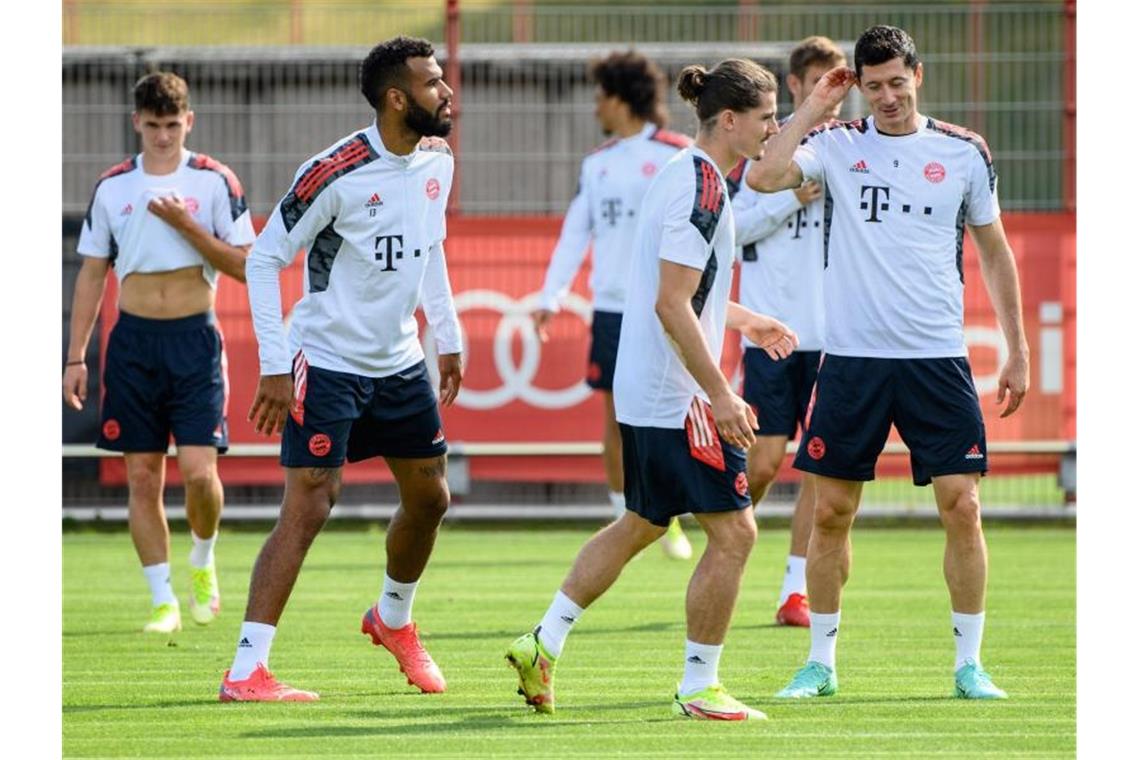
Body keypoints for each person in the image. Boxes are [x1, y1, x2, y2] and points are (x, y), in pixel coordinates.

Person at [507, 58, 797, 721]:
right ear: (730, 120)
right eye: (766, 116)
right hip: (677, 398)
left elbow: (681, 294)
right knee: (736, 535)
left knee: (641, 522)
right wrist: (721, 393)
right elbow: (672, 305)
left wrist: (745, 320)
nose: (773, 127)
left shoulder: (688, 177)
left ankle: (541, 641)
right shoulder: (698, 186)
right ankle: (700, 685)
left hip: (650, 388)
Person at [749, 25, 1029, 700]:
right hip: (852, 359)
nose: (886, 98)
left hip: (937, 358)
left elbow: (994, 252)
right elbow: (761, 176)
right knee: (831, 514)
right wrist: (815, 107)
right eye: (872, 87)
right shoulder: (836, 145)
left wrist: (1017, 348)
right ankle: (820, 663)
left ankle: (969, 664)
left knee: (961, 506)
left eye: (895, 83)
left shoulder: (963, 153)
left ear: (918, 76)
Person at [218, 36, 464, 702]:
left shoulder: (438, 158)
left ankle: (393, 620)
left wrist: (448, 332)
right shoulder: (334, 171)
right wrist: (275, 366)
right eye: (433, 83)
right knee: (310, 506)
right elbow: (266, 260)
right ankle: (247, 669)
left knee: (432, 499)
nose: (446, 93)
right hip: (327, 363)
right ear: (395, 98)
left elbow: (431, 244)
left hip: (401, 363)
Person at [64, 71, 255, 634]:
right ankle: (162, 600)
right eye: (153, 126)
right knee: (143, 478)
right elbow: (93, 273)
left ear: (188, 121)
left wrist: (185, 224)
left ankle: (202, 558)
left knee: (199, 474)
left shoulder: (215, 181)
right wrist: (76, 357)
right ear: (137, 124)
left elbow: (246, 265)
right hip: (133, 345)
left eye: (173, 125)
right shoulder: (114, 186)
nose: (164, 136)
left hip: (194, 340)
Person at [533, 51, 695, 560]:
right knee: (616, 416)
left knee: (681, 410)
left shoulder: (678, 154)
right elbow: (574, 235)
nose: (596, 106)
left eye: (601, 96)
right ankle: (626, 512)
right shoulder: (596, 164)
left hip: (665, 307)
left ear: (622, 99)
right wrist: (549, 297)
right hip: (612, 310)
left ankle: (670, 512)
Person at [726, 36, 847, 627]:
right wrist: (790, 199)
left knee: (821, 469)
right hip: (775, 334)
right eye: (822, 82)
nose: (832, 95)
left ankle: (794, 590)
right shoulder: (765, 151)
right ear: (797, 85)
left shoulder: (850, 150)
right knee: (767, 461)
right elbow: (732, 232)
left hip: (837, 338)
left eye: (839, 83)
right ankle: (725, 543)